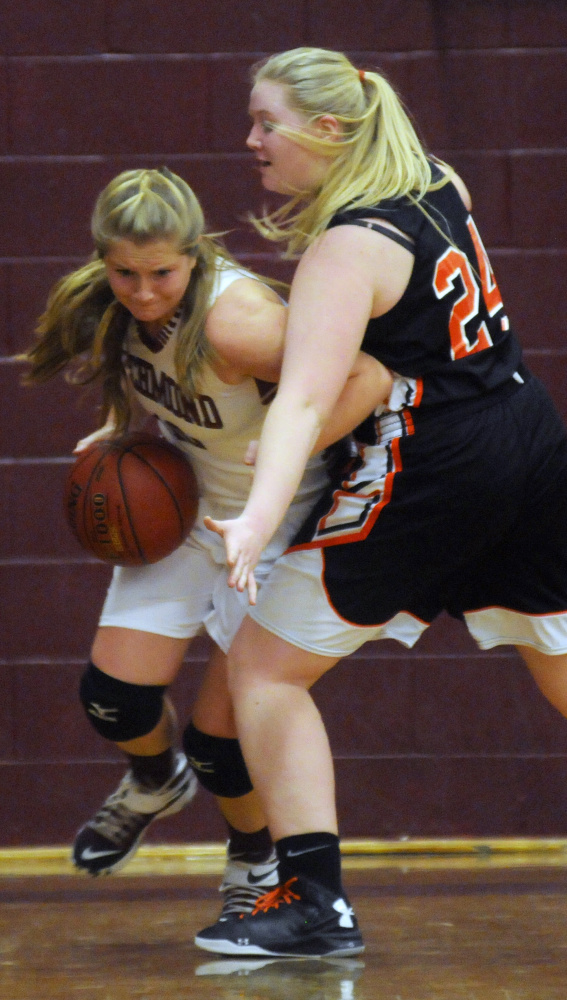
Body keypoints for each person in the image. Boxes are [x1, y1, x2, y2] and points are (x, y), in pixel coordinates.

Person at [194, 46, 567, 958]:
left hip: (437, 464)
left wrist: (253, 516)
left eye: (264, 123)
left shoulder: (346, 248)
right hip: (526, 430)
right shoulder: (435, 181)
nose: (250, 140)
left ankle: (315, 904)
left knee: (263, 671)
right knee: (560, 663)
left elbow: (309, 402)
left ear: (328, 130)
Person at [22, 166, 391, 918]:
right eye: (125, 273)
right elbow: (145, 362)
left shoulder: (237, 319)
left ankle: (253, 866)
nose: (144, 291)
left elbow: (367, 374)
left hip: (276, 519)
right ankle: (156, 782)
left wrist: (283, 458)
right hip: (189, 509)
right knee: (113, 701)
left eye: (162, 273)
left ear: (194, 255)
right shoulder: (110, 298)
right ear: (103, 260)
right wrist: (120, 421)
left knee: (222, 744)